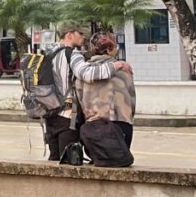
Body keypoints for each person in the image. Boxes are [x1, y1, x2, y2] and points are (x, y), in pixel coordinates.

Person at [44, 21, 133, 162]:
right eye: (80, 33)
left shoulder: (49, 53)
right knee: (69, 164)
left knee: (54, 161)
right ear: (69, 35)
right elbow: (87, 74)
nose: (83, 37)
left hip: (50, 116)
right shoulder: (72, 54)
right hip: (68, 117)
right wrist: (117, 65)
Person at [76, 31, 136, 167]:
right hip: (121, 123)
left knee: (98, 165)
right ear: (109, 49)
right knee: (121, 164)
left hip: (94, 126)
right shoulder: (123, 70)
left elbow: (79, 100)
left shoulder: (83, 72)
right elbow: (131, 99)